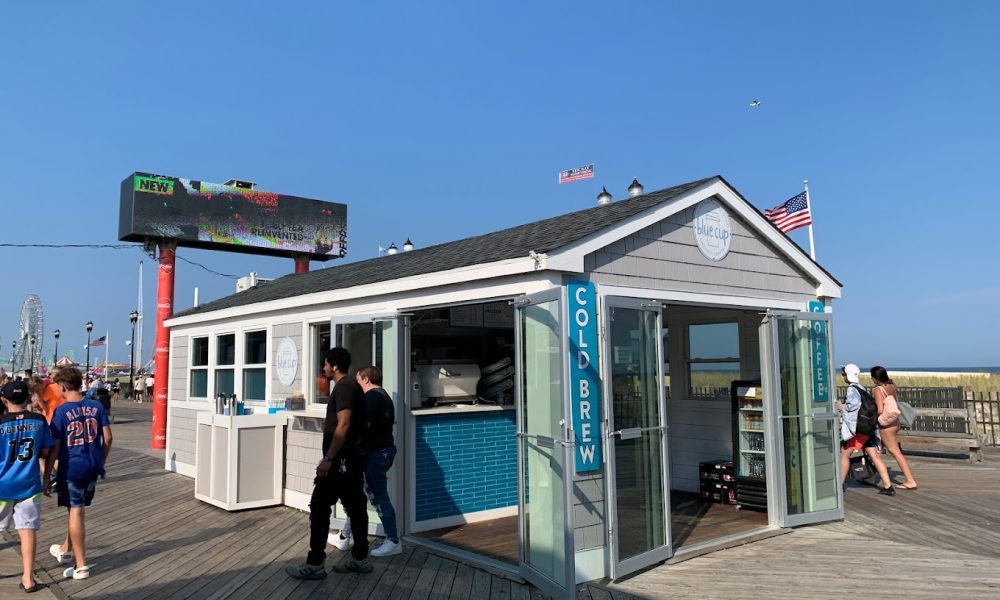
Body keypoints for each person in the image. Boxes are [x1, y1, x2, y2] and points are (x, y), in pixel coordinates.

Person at [286, 347, 371, 580]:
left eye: (325, 364)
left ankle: (315, 564)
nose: (323, 369)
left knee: (320, 507)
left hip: (341, 462)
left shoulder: (343, 387)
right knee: (356, 508)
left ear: (334, 366)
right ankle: (361, 559)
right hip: (350, 460)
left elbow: (343, 424)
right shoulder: (352, 387)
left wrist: (329, 458)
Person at [48, 367, 113, 580]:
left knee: (76, 511)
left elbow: (55, 446)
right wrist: (100, 460)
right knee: (75, 509)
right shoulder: (97, 406)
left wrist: (47, 474)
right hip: (93, 466)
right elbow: (108, 438)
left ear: (63, 386)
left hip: (72, 467)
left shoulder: (61, 411)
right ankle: (66, 548)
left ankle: (82, 565)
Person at [335, 366, 401, 557]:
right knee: (358, 494)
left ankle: (393, 540)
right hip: (382, 451)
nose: (356, 384)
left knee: (378, 496)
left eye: (357, 380)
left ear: (364, 379)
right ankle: (344, 535)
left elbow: (363, 429)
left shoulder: (372, 398)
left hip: (376, 454)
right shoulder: (384, 396)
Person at [1, 380, 56, 593]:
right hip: (30, 484)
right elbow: (47, 450)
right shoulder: (39, 421)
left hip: (3, 485)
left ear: (4, 400)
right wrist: (46, 478)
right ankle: (28, 579)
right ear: (27, 398)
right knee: (27, 531)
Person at [838, 364, 894, 495]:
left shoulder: (852, 389)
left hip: (859, 430)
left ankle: (839, 485)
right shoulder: (861, 387)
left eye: (844, 374)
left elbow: (853, 406)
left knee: (845, 454)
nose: (843, 376)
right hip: (868, 428)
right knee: (875, 456)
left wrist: (842, 407)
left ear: (848, 375)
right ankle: (888, 486)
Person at [871, 366, 918, 490]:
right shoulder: (892, 386)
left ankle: (910, 480)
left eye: (872, 377)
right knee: (877, 451)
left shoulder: (878, 389)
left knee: (895, 452)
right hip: (895, 422)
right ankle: (873, 475)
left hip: (886, 425)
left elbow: (880, 409)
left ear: (876, 378)